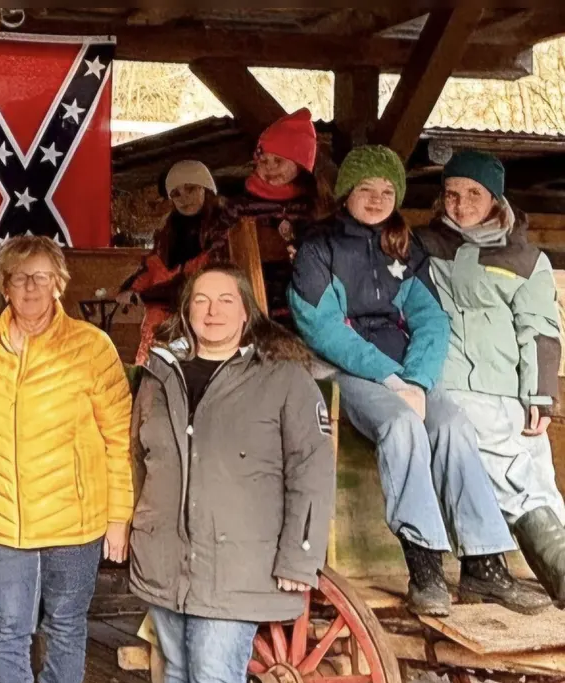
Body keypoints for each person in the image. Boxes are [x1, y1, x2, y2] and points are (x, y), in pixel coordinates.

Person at [131, 265, 335, 683]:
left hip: (241, 557)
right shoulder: (161, 374)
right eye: (201, 301)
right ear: (186, 311)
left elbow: (312, 472)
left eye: (226, 300)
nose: (213, 311)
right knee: (177, 672)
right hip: (168, 552)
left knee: (216, 677)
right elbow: (139, 455)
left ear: (247, 311)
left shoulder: (283, 380)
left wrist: (300, 557)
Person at [289, 145, 544, 616]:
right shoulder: (318, 247)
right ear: (347, 192)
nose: (376, 198)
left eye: (387, 190)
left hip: (407, 374)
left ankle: (484, 564)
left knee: (453, 427)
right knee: (403, 426)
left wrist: (421, 381)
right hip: (346, 372)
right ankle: (424, 564)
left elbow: (432, 320)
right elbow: (320, 327)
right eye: (365, 188)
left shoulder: (405, 245)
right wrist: (391, 380)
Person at [0, 235, 133, 683]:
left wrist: (118, 517)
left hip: (77, 519)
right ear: (3, 286)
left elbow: (117, 440)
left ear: (59, 283)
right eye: (18, 278)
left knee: (65, 624)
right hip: (3, 519)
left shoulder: (91, 347)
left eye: (40, 277)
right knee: (9, 627)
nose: (29, 288)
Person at [417, 150, 565, 606]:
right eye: (451, 194)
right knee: (513, 476)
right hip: (452, 384)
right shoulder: (425, 245)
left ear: (495, 199)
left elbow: (540, 326)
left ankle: (553, 576)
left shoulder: (525, 258)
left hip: (511, 387)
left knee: (538, 476)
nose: (459, 205)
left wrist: (540, 396)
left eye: (473, 195)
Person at [206, 109, 332, 324]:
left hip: (304, 304)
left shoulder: (314, 207)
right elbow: (216, 245)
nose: (270, 168)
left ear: (300, 164)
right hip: (250, 301)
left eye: (279, 161)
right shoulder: (240, 206)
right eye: (264, 161)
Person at [121, 160, 225, 363]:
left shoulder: (223, 229)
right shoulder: (168, 232)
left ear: (206, 189)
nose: (184, 198)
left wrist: (143, 296)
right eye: (176, 194)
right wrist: (130, 288)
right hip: (164, 328)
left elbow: (197, 284)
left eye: (190, 189)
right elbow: (152, 268)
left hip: (205, 325)